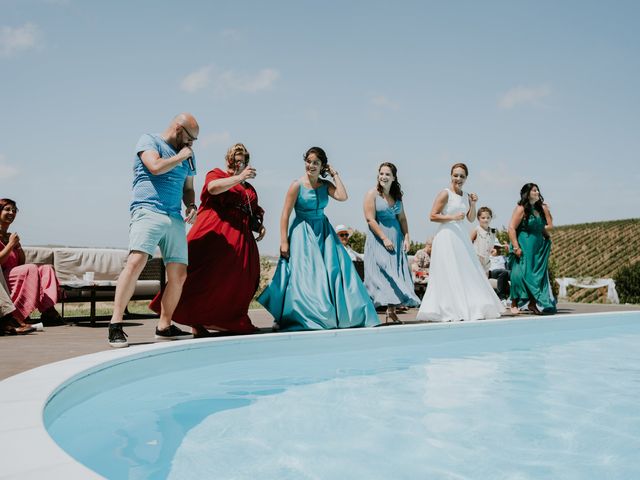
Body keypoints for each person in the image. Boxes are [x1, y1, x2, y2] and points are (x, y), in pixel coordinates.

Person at [149, 143, 266, 336]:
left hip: (242, 238)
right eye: (236, 160)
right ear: (229, 160)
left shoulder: (248, 186)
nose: (239, 164)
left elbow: (250, 209)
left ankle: (230, 320)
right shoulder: (218, 174)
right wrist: (239, 178)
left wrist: (258, 226)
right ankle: (192, 321)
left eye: (243, 161)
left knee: (241, 280)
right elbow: (212, 188)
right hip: (218, 235)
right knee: (206, 278)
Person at [258, 147, 379, 330]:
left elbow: (343, 196)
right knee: (304, 275)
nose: (311, 165)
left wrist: (334, 174)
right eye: (308, 161)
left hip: (324, 231)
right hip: (302, 232)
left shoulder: (325, 185)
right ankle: (297, 315)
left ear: (322, 165)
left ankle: (344, 313)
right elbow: (285, 214)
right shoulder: (296, 185)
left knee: (336, 271)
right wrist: (284, 241)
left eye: (316, 163)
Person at [108, 113, 199, 347]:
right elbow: (155, 167)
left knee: (179, 275)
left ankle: (164, 326)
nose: (192, 144)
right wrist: (180, 156)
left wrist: (191, 204)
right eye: (190, 138)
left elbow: (188, 187)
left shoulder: (188, 155)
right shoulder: (149, 141)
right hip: (147, 211)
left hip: (174, 217)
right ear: (179, 129)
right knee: (136, 262)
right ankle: (115, 324)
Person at [416, 163, 504, 322]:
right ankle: (448, 308)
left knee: (466, 270)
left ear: (466, 178)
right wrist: (452, 217)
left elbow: (470, 218)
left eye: (462, 176)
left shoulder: (466, 195)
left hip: (461, 236)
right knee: (448, 271)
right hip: (446, 236)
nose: (458, 179)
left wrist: (473, 204)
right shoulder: (445, 193)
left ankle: (467, 306)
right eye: (456, 175)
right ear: (451, 176)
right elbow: (432, 216)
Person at [363, 162, 420, 323]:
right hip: (379, 239)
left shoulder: (397, 197)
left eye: (387, 174)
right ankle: (367, 311)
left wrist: (407, 237)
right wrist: (384, 238)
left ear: (394, 178)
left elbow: (402, 218)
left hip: (396, 239)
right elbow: (370, 219)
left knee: (395, 274)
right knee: (380, 275)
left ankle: (391, 311)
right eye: (381, 173)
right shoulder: (372, 194)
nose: (383, 176)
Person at [0, 198, 59, 333]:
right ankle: (17, 315)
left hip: (13, 274)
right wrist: (10, 245)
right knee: (31, 268)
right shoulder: (8, 239)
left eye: (14, 211)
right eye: (7, 209)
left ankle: (48, 310)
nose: (11, 213)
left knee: (46, 268)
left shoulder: (10, 236)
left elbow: (20, 263)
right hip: (2, 278)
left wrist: (18, 247)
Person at [507, 183, 556, 315]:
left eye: (538, 190)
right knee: (519, 274)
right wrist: (516, 247)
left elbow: (550, 226)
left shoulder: (542, 208)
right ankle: (514, 302)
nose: (537, 192)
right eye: (534, 190)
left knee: (537, 275)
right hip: (523, 243)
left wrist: (541, 228)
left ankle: (533, 304)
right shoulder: (521, 208)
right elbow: (511, 228)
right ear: (527, 193)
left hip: (538, 245)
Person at [470, 206, 497, 274]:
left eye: (488, 218)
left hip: (486, 262)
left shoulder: (492, 231)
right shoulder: (477, 229)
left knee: (485, 280)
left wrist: (494, 250)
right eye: (483, 218)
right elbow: (468, 243)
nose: (486, 220)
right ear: (478, 218)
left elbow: (491, 245)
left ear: (491, 218)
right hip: (477, 260)